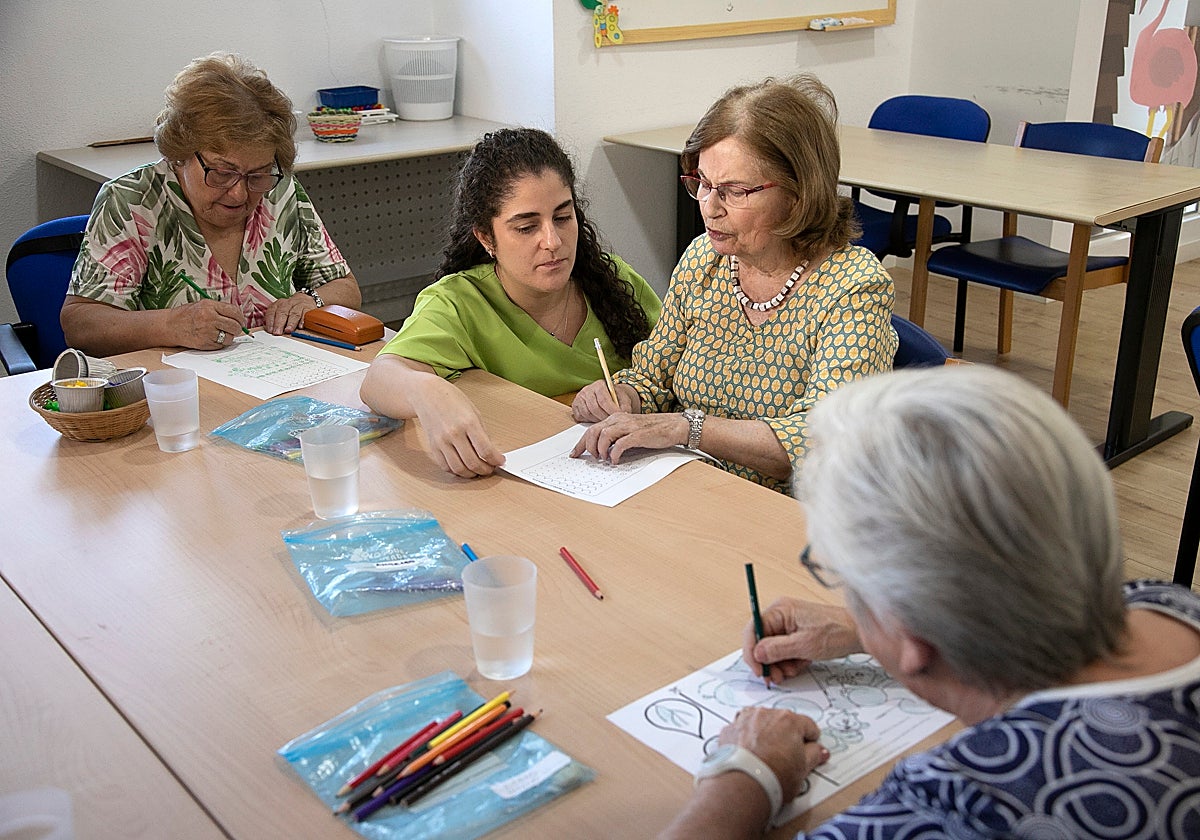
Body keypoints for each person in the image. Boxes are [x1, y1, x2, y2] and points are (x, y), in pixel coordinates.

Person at [660, 365, 1200, 839]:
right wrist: (862, 629)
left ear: (914, 638)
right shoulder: (1168, 604)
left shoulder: (964, 803)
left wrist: (743, 778)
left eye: (844, 579)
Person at [571, 74, 896, 494]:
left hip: (787, 510)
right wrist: (621, 397)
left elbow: (821, 439)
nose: (710, 207)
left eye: (735, 191)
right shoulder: (704, 260)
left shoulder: (853, 286)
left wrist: (686, 428)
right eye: (703, 184)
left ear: (799, 194)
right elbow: (653, 377)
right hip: (691, 488)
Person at [360, 128, 661, 479]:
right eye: (526, 227)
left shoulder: (614, 281)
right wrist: (426, 390)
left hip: (628, 473)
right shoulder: (461, 301)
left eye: (563, 218)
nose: (552, 241)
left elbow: (678, 364)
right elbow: (378, 379)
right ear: (486, 238)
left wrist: (628, 392)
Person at [62, 52, 361, 355]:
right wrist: (170, 325)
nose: (239, 194)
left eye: (257, 175)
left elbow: (346, 288)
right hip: (173, 380)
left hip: (276, 372)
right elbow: (80, 325)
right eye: (222, 173)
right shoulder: (132, 201)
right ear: (180, 154)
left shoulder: (280, 190)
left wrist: (310, 301)